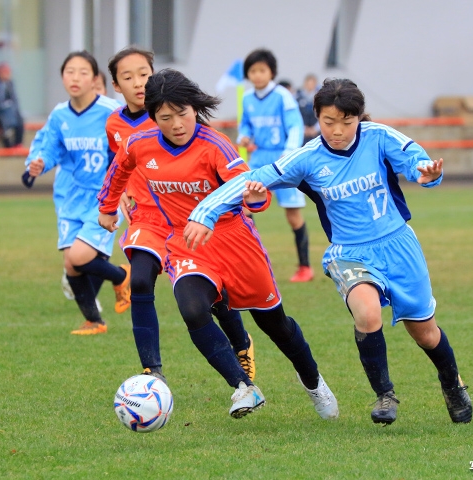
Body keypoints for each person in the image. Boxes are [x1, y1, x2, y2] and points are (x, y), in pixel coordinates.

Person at [185, 78, 473, 426]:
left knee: (425, 332)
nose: (337, 131)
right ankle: (385, 393)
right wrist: (205, 212)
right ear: (317, 117)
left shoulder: (379, 137)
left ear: (359, 118)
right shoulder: (307, 158)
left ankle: (452, 383)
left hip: (399, 246)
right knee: (367, 313)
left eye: (346, 122)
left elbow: (417, 162)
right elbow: (253, 178)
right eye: (328, 122)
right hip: (348, 252)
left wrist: (426, 174)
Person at [97, 68, 338, 420]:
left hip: (236, 243)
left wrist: (256, 199)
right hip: (185, 242)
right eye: (166, 117)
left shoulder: (214, 145)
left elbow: (251, 190)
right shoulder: (139, 144)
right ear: (153, 118)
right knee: (192, 308)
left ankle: (314, 383)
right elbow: (119, 169)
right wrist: (106, 207)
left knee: (276, 326)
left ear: (195, 109)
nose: (177, 123)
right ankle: (244, 387)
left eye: (183, 113)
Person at [105, 46, 255, 383]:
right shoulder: (114, 124)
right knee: (140, 279)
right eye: (127, 77)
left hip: (187, 218)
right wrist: (120, 195)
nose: (138, 82)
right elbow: (119, 164)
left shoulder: (171, 114)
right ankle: (151, 370)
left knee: (212, 294)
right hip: (145, 217)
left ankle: (241, 343)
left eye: (143, 73)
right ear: (116, 85)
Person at [28, 50, 130, 335]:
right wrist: (38, 163)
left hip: (104, 198)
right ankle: (95, 321)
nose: (75, 78)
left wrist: (126, 187)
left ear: (95, 79)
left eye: (83, 72)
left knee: (79, 257)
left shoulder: (111, 111)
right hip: (70, 198)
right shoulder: (60, 114)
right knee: (71, 266)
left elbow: (127, 150)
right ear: (62, 76)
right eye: (69, 71)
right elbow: (50, 148)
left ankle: (123, 275)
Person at [238, 49, 313, 283]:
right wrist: (245, 136)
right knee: (245, 210)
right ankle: (253, 264)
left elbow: (295, 126)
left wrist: (290, 153)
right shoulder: (247, 98)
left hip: (283, 160)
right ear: (248, 74)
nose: (258, 75)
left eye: (262, 70)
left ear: (272, 72)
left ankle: (304, 267)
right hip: (259, 159)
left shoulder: (282, 96)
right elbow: (246, 125)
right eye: (253, 71)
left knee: (292, 214)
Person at [296, 73, 320, 145]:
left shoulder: (320, 99)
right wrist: (303, 128)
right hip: (301, 132)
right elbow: (295, 115)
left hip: (316, 133)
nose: (310, 86)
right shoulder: (297, 98)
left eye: (312, 84)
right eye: (308, 83)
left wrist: (316, 129)